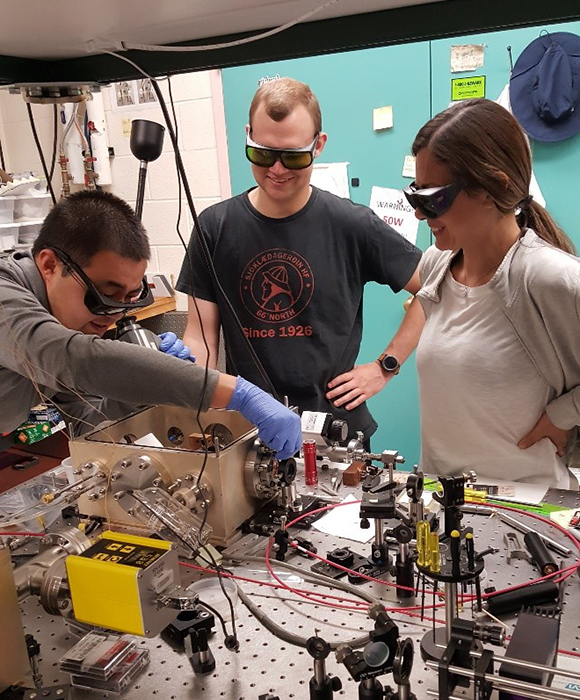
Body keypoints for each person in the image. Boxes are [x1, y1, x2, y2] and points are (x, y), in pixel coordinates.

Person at [176, 77, 422, 444]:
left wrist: (385, 366)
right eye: (262, 153)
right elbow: (200, 336)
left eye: (292, 156)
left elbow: (434, 289)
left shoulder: (352, 224)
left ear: (318, 145)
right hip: (249, 429)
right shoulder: (214, 228)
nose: (276, 169)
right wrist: (196, 401)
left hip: (337, 433)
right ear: (248, 135)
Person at [0, 190, 301, 460]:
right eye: (104, 295)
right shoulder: (6, 296)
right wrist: (237, 393)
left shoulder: (63, 317)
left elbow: (85, 420)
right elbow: (77, 360)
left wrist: (145, 386)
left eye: (130, 297)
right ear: (50, 265)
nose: (113, 315)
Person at [404, 98, 580, 488]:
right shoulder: (436, 264)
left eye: (433, 200)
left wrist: (564, 414)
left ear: (491, 189)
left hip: (528, 508)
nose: (420, 214)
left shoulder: (550, 278)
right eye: (414, 196)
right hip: (441, 501)